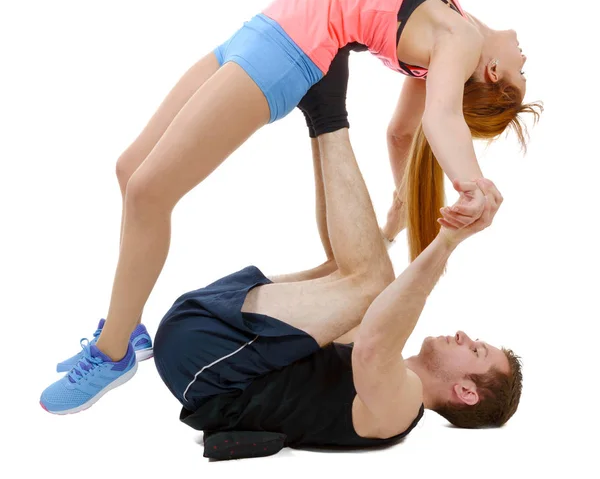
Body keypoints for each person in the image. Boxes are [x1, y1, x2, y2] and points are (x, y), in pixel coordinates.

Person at [40, 0, 539, 412]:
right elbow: (401, 133)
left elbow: (442, 115)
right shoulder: (447, 34)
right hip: (267, 27)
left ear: (492, 72)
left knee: (150, 191)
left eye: (521, 74)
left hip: (292, 51)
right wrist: (403, 203)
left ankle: (112, 354)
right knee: (132, 168)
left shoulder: (462, 39)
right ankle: (129, 329)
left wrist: (470, 182)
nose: (526, 59)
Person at [146, 125, 519, 458]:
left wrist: (448, 241)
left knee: (372, 289)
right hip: (207, 334)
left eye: (475, 350)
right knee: (355, 283)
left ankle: (327, 110)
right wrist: (387, 235)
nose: (463, 336)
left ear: (466, 393)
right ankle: (320, 109)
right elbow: (346, 275)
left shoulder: (400, 411)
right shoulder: (376, 367)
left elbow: (376, 341)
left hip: (209, 363)